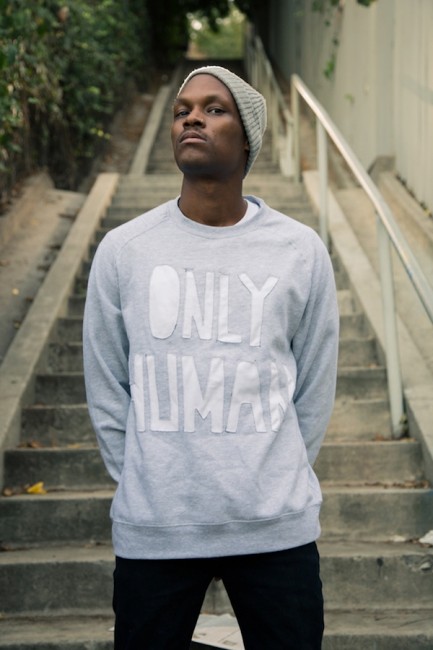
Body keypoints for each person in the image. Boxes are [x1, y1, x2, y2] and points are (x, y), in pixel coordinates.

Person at [83, 65, 339, 650]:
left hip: (275, 526)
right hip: (157, 527)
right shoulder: (125, 250)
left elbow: (315, 384)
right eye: (182, 111)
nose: (192, 118)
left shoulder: (299, 251)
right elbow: (106, 384)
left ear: (247, 138)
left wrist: (275, 474)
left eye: (213, 109)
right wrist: (144, 479)